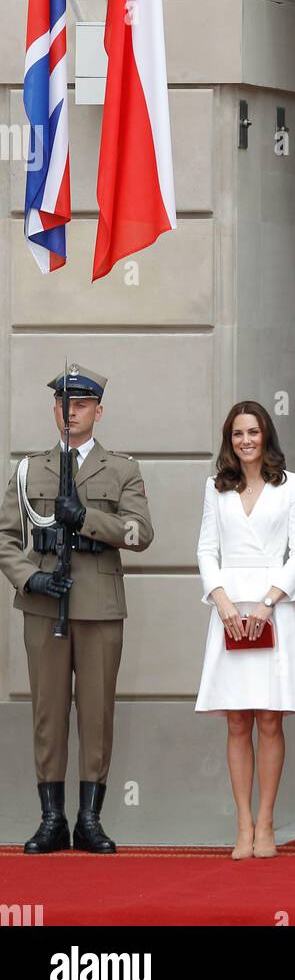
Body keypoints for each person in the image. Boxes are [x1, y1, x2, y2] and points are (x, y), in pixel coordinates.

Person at [0, 364, 153, 854]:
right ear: (55, 410)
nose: (72, 413)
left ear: (98, 411)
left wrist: (86, 518)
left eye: (82, 405)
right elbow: (5, 538)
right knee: (48, 713)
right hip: (46, 603)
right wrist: (32, 577)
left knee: (96, 714)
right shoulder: (29, 470)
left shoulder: (122, 469)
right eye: (65, 405)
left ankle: (90, 819)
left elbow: (139, 534)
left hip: (100, 607)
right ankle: (52, 819)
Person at [195, 400, 295, 860]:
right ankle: (242, 823)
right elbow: (207, 549)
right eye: (237, 434)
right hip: (227, 609)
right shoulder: (215, 487)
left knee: (269, 718)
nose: (246, 441)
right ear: (230, 440)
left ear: (266, 436)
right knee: (237, 719)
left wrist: (268, 603)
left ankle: (267, 822)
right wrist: (222, 600)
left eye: (253, 432)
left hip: (275, 607)